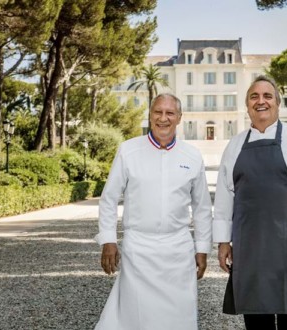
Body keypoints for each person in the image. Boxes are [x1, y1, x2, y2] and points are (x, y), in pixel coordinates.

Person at [213, 76, 287, 330]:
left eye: (267, 96)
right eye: (254, 96)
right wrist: (223, 241)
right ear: (247, 106)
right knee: (257, 320)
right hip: (251, 250)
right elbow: (225, 198)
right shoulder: (234, 146)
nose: (261, 101)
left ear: (278, 103)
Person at [94, 93, 212, 330]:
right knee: (134, 317)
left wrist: (202, 248)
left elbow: (201, 208)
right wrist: (108, 240)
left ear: (179, 117)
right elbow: (108, 199)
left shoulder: (192, 156)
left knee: (178, 318)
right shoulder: (128, 151)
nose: (163, 118)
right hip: (139, 250)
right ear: (150, 115)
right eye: (158, 112)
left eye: (170, 113)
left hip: (178, 251)